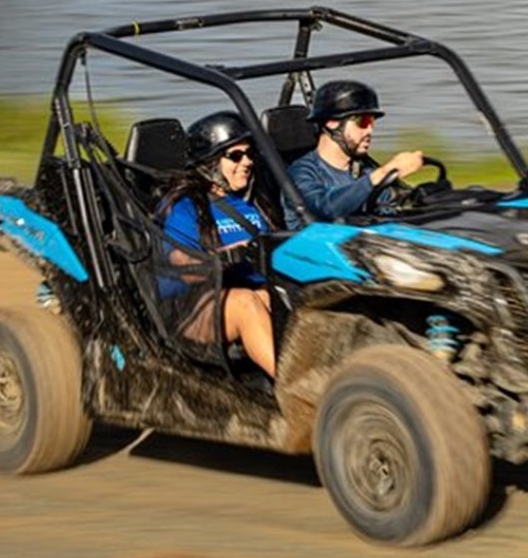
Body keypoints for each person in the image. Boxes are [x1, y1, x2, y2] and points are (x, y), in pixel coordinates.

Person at [157, 111, 277, 378]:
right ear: (210, 162)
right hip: (192, 308)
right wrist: (224, 257)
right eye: (235, 156)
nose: (246, 162)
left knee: (285, 297)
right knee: (247, 304)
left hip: (254, 293)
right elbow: (177, 262)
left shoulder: (254, 201)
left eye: (249, 154)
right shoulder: (185, 207)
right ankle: (299, 392)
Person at [284, 80, 424, 228]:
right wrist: (383, 173)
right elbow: (327, 208)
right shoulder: (300, 173)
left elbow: (390, 204)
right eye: (362, 122)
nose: (370, 131)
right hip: (315, 248)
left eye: (372, 122)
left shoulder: (364, 169)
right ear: (332, 122)